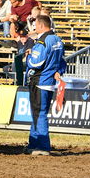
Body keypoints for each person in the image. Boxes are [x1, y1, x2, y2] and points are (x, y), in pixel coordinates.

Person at [23, 15, 66, 156]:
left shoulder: (43, 41)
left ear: (41, 25)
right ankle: (33, 144)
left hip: (40, 81)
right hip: (49, 83)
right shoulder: (57, 40)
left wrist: (28, 56)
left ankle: (43, 147)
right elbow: (62, 62)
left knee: (39, 114)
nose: (34, 27)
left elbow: (35, 62)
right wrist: (58, 71)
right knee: (38, 114)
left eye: (35, 25)